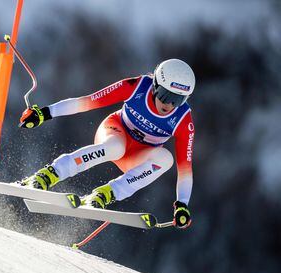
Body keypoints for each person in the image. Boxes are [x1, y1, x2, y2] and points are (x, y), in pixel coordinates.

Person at [18, 59, 195, 229]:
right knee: (115, 148)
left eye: (178, 100)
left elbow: (185, 169)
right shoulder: (136, 87)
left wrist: (182, 204)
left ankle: (106, 194)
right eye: (166, 95)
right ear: (156, 85)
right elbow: (88, 101)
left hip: (138, 155)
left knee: (166, 159)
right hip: (115, 131)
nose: (170, 104)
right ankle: (49, 174)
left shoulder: (183, 121)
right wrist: (44, 113)